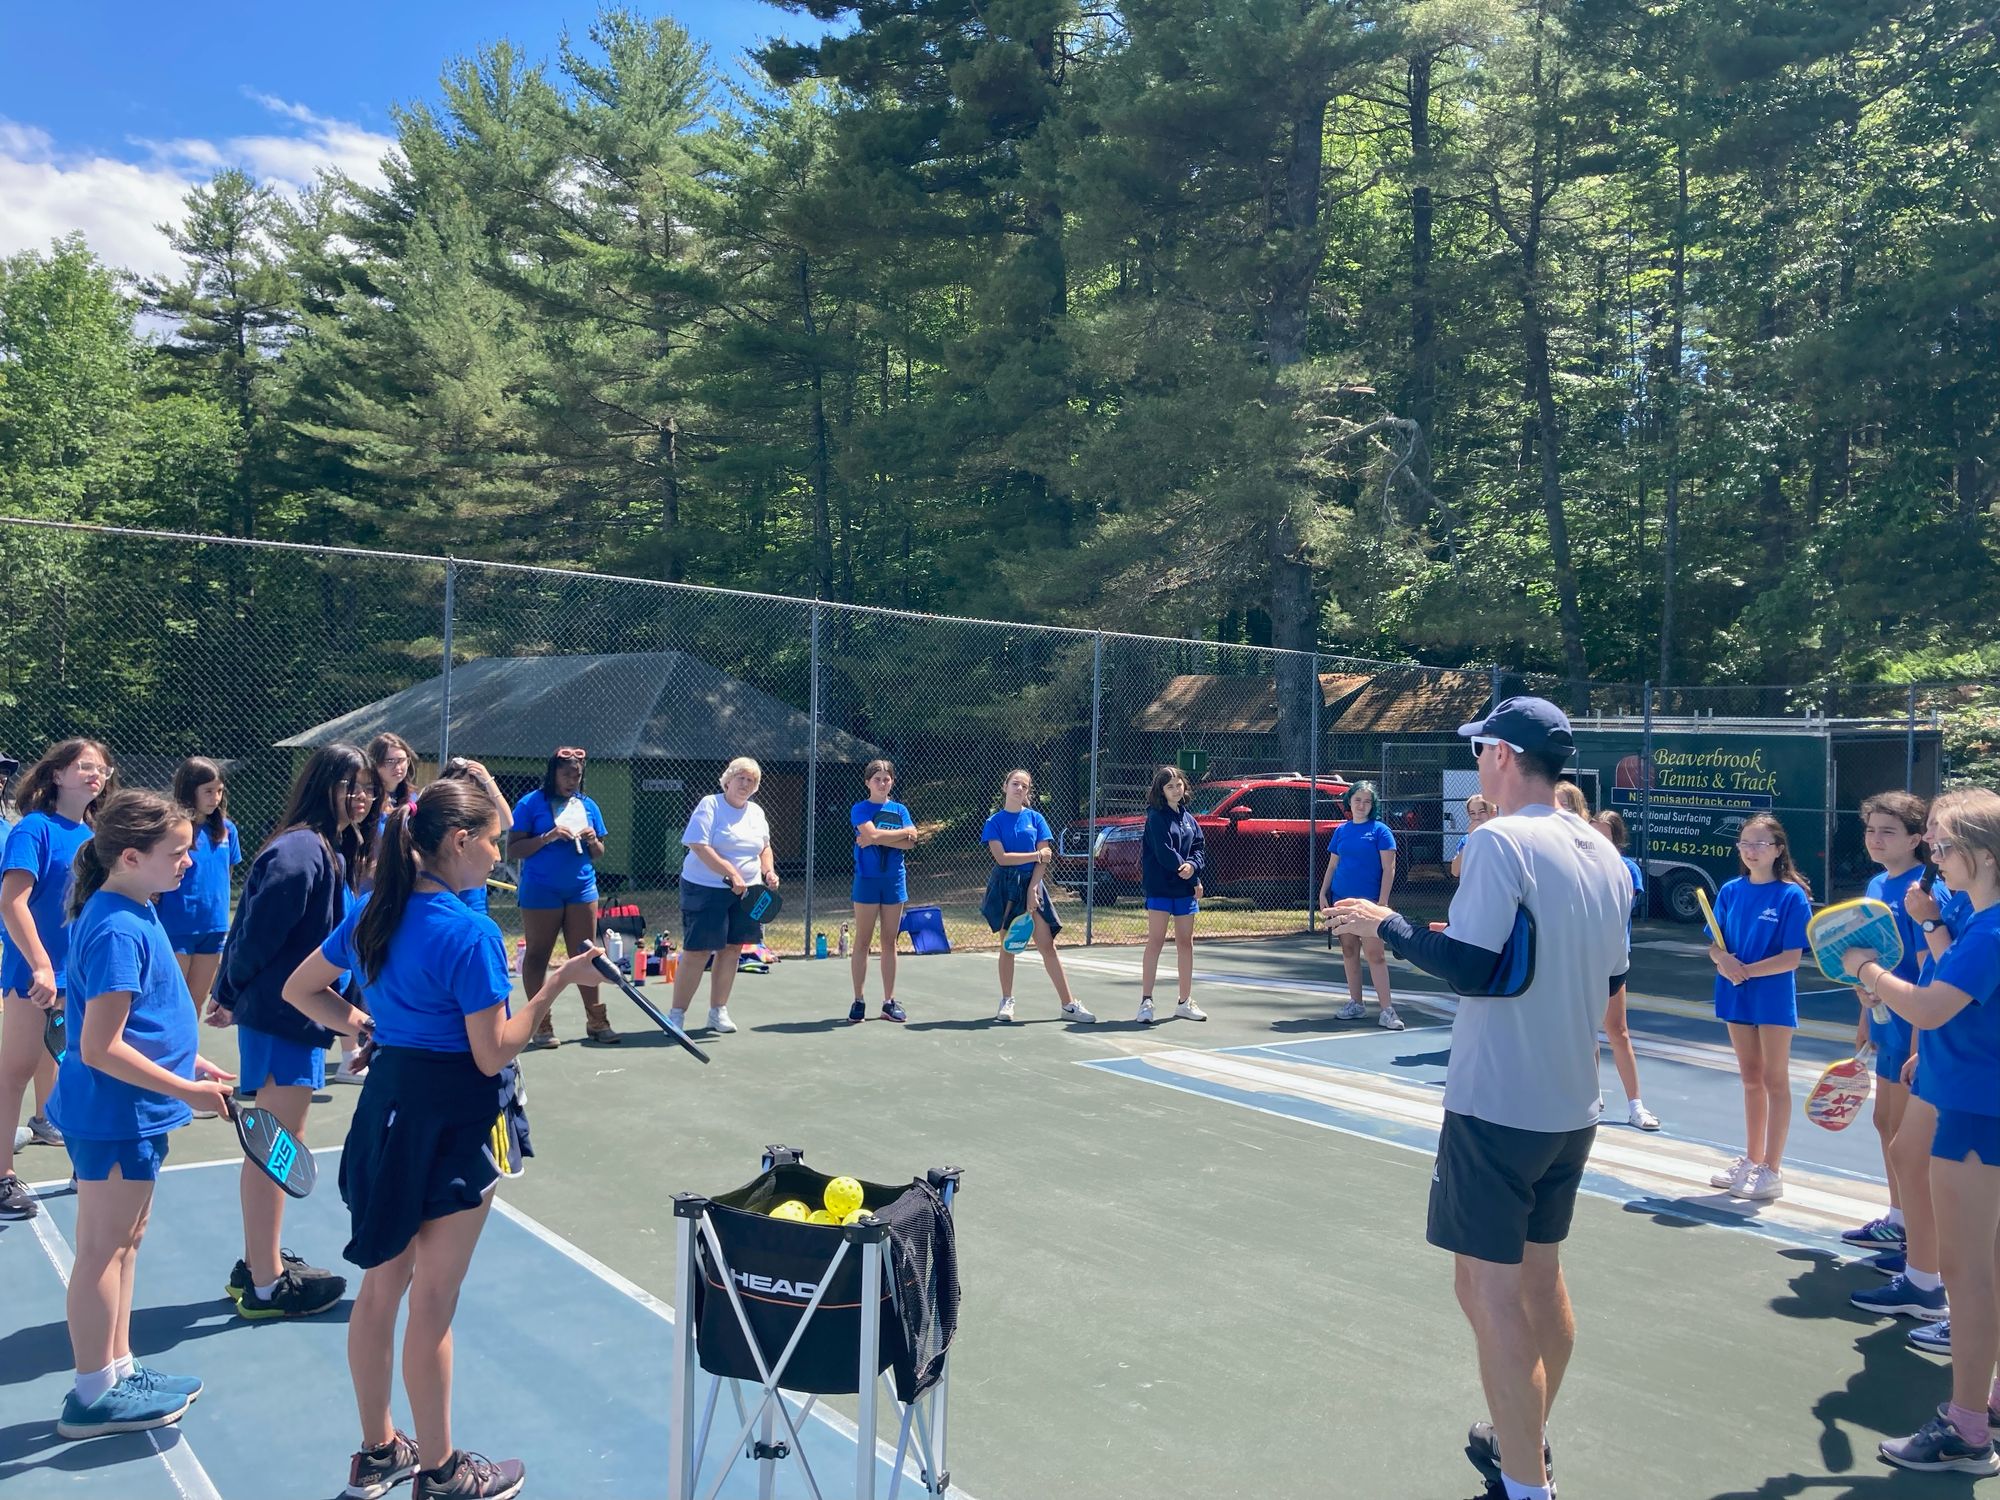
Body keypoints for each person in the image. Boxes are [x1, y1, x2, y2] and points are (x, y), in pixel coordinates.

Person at [1328, 697, 1631, 1500]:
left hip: (1499, 1101)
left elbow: (1468, 965)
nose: (1479, 760)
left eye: (1482, 748)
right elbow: (1606, 981)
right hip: (1573, 1105)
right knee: (1541, 1280)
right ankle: (1519, 1438)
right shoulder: (1602, 854)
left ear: (1502, 754)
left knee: (1485, 1289)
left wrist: (1384, 923)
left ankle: (1525, 1485)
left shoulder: (1499, 840)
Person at [283, 778, 604, 1500]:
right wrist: (553, 986)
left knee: (381, 1289)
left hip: (388, 1109)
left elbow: (301, 990)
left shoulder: (374, 910)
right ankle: (441, 1470)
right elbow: (493, 1052)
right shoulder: (470, 932)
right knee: (434, 1301)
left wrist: (363, 1025)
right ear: (459, 842)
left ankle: (378, 1453)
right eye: (491, 841)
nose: (498, 853)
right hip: (456, 1120)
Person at [53, 789, 234, 1440]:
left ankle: (118, 1370)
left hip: (136, 1110)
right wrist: (186, 1093)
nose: (189, 862)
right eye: (177, 852)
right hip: (112, 1113)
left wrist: (187, 1069)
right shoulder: (115, 926)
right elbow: (100, 1047)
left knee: (125, 1244)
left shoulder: (135, 907)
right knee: (103, 1250)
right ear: (131, 856)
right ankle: (91, 1393)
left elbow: (143, 1028)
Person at [1841, 786, 2000, 1476]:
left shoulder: (1991, 930)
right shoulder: (1981, 924)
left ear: (1981, 854)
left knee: (1968, 1273)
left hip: (1973, 1113)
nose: (1934, 855)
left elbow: (1931, 1006)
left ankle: (1967, 1429)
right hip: (1975, 1097)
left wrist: (1866, 968)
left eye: (1942, 845)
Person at [210, 743, 375, 1320]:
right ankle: (263, 1284)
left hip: (296, 1021)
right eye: (350, 785)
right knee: (275, 1151)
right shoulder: (302, 851)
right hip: (283, 1020)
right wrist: (228, 993)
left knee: (278, 1148)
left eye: (368, 788)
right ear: (323, 784)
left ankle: (260, 1260)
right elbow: (255, 932)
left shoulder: (330, 849)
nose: (362, 797)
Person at [0, 738, 114, 1219]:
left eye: (103, 769)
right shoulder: (34, 829)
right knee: (15, 1073)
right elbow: (12, 902)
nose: (96, 774)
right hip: (33, 977)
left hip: (82, 980)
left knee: (82, 1071)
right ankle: (3, 1178)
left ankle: (83, 1166)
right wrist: (42, 965)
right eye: (84, 766)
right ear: (56, 775)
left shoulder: (97, 835)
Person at [1704, 812, 1811, 1203]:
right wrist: (1723, 960)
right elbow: (1715, 943)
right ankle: (1751, 1159)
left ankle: (1772, 1169)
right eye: (1745, 843)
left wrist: (1744, 969)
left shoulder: (1791, 895)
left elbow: (1791, 957)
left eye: (1760, 844)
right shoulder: (1731, 890)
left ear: (1778, 850)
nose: (1751, 850)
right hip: (1734, 992)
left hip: (1771, 997)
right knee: (1750, 1078)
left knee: (1774, 1080)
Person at [1841, 792, 1928, 1253]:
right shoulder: (1876, 887)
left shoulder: (1923, 891)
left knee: (1909, 1140)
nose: (1875, 839)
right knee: (1884, 1122)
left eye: (1888, 831)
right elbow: (1870, 961)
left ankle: (1920, 1235)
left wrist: (1917, 1042)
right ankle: (1899, 1221)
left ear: (1916, 839)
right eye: (1871, 829)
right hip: (1884, 1022)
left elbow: (1926, 972)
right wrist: (1863, 1015)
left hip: (1915, 1028)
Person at [508, 748, 615, 1047]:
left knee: (585, 953)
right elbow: (514, 849)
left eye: (577, 775)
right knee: (538, 954)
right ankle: (540, 1023)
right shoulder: (531, 804)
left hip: (581, 888)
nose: (572, 781)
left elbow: (599, 853)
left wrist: (594, 841)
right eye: (566, 774)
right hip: (541, 889)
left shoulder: (588, 805)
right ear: (553, 773)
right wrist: (548, 837)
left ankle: (597, 1020)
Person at [670, 757, 778, 1034]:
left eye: (751, 780)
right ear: (727, 780)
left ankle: (718, 1012)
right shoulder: (710, 804)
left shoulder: (756, 812)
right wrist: (730, 872)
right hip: (705, 889)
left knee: (732, 950)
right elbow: (698, 844)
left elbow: (764, 848)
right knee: (698, 951)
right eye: (740, 777)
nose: (745, 784)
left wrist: (768, 872)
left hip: (746, 893)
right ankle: (676, 1015)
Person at [982, 769, 1095, 1025]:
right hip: (1006, 887)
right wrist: (1034, 856)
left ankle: (1069, 1004)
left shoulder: (1036, 818)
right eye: (1014, 784)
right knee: (1008, 946)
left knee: (1047, 946)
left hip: (1034, 885)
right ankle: (1007, 1001)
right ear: (1005, 786)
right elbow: (1002, 858)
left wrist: (1034, 888)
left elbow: (1046, 855)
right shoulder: (994, 822)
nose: (1019, 789)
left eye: (1024, 786)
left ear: (1028, 791)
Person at [1590, 809, 1659, 1131]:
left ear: (1616, 840)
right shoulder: (1580, 867)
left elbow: (1619, 907)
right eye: (1593, 833)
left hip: (1613, 959)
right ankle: (1590, 1095)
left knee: (1617, 1031)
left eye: (1604, 835)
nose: (1597, 841)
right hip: (1580, 959)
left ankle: (1636, 1106)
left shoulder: (1627, 869)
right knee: (1583, 1032)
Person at [156, 757, 240, 1019]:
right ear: (189, 790)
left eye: (219, 791)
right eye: (208, 791)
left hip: (214, 928)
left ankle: (185, 1057)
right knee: (169, 1001)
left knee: (194, 1004)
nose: (215, 797)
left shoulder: (228, 830)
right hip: (176, 925)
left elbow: (227, 873)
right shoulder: (171, 828)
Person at [1318, 781, 1402, 1030]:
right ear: (1350, 802)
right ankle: (1356, 1003)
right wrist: (1323, 892)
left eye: (1367, 801)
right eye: (1357, 800)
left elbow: (1389, 868)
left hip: (1370, 904)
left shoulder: (1380, 831)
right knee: (1349, 951)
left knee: (1375, 955)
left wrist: (1383, 903)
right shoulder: (1341, 832)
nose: (1362, 805)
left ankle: (1387, 1010)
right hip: (1342, 900)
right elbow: (1333, 865)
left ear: (1372, 804)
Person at [848, 759, 924, 1025]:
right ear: (867, 782)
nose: (882, 783)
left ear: (892, 781)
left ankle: (888, 1002)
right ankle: (858, 1001)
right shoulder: (860, 808)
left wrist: (881, 836)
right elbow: (873, 834)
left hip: (894, 881)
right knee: (863, 941)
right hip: (867, 881)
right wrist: (897, 836)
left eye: (887, 778)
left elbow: (911, 842)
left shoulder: (900, 809)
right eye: (877, 778)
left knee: (889, 941)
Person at [1137, 765, 1207, 1026]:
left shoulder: (1189, 819)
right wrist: (1184, 868)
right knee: (1155, 941)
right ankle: (1146, 1002)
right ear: (1161, 791)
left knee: (1185, 944)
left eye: (1179, 785)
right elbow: (1164, 851)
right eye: (1170, 787)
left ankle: (1184, 1002)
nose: (1176, 790)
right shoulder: (1156, 817)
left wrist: (1194, 870)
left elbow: (1199, 848)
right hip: (1160, 888)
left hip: (1184, 891)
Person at [436, 759, 512, 918]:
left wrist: (487, 779)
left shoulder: (481, 813)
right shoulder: (437, 811)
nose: (466, 789)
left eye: (472, 784)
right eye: (459, 783)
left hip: (473, 897)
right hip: (444, 892)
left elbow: (507, 822)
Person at [1451, 795, 1496, 880]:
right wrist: (1471, 840)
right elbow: (1455, 871)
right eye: (1472, 813)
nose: (1477, 817)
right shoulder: (1466, 840)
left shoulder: (1501, 838)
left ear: (1493, 814)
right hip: (1472, 890)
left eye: (1482, 812)